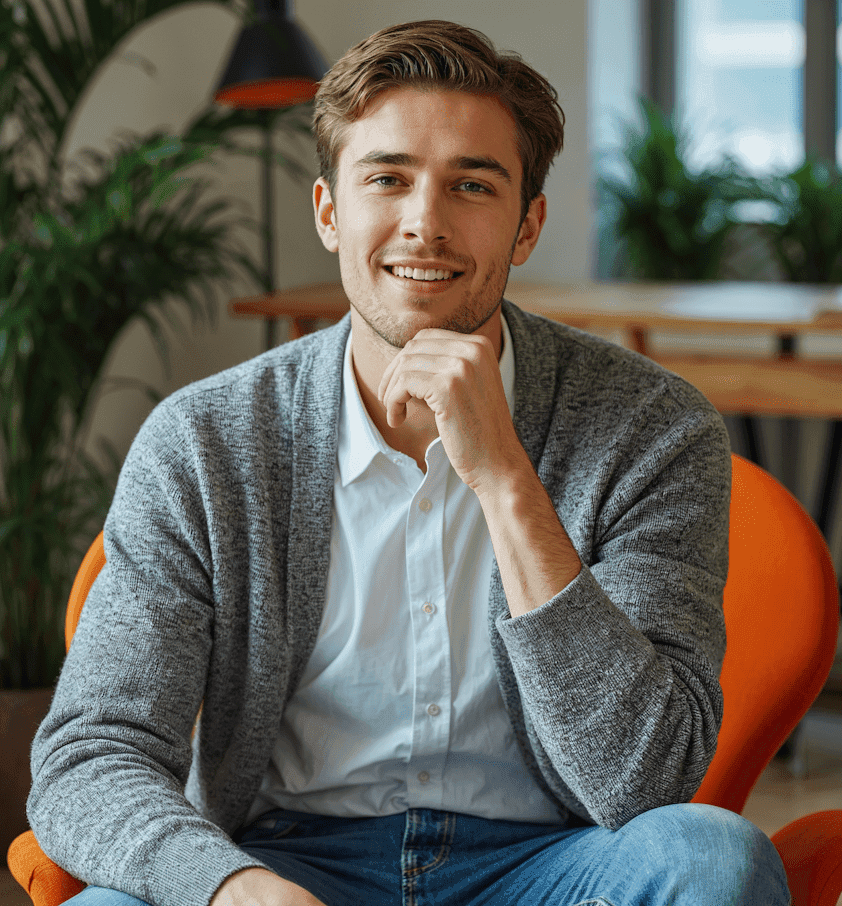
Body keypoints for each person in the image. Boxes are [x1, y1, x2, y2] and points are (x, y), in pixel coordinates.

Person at [29, 19, 790, 906]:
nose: (424, 224)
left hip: (549, 865)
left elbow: (646, 782)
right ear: (329, 211)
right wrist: (232, 888)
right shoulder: (206, 442)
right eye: (387, 178)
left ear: (527, 226)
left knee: (713, 860)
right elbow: (91, 756)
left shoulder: (653, 428)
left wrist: (505, 478)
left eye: (472, 185)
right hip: (281, 861)